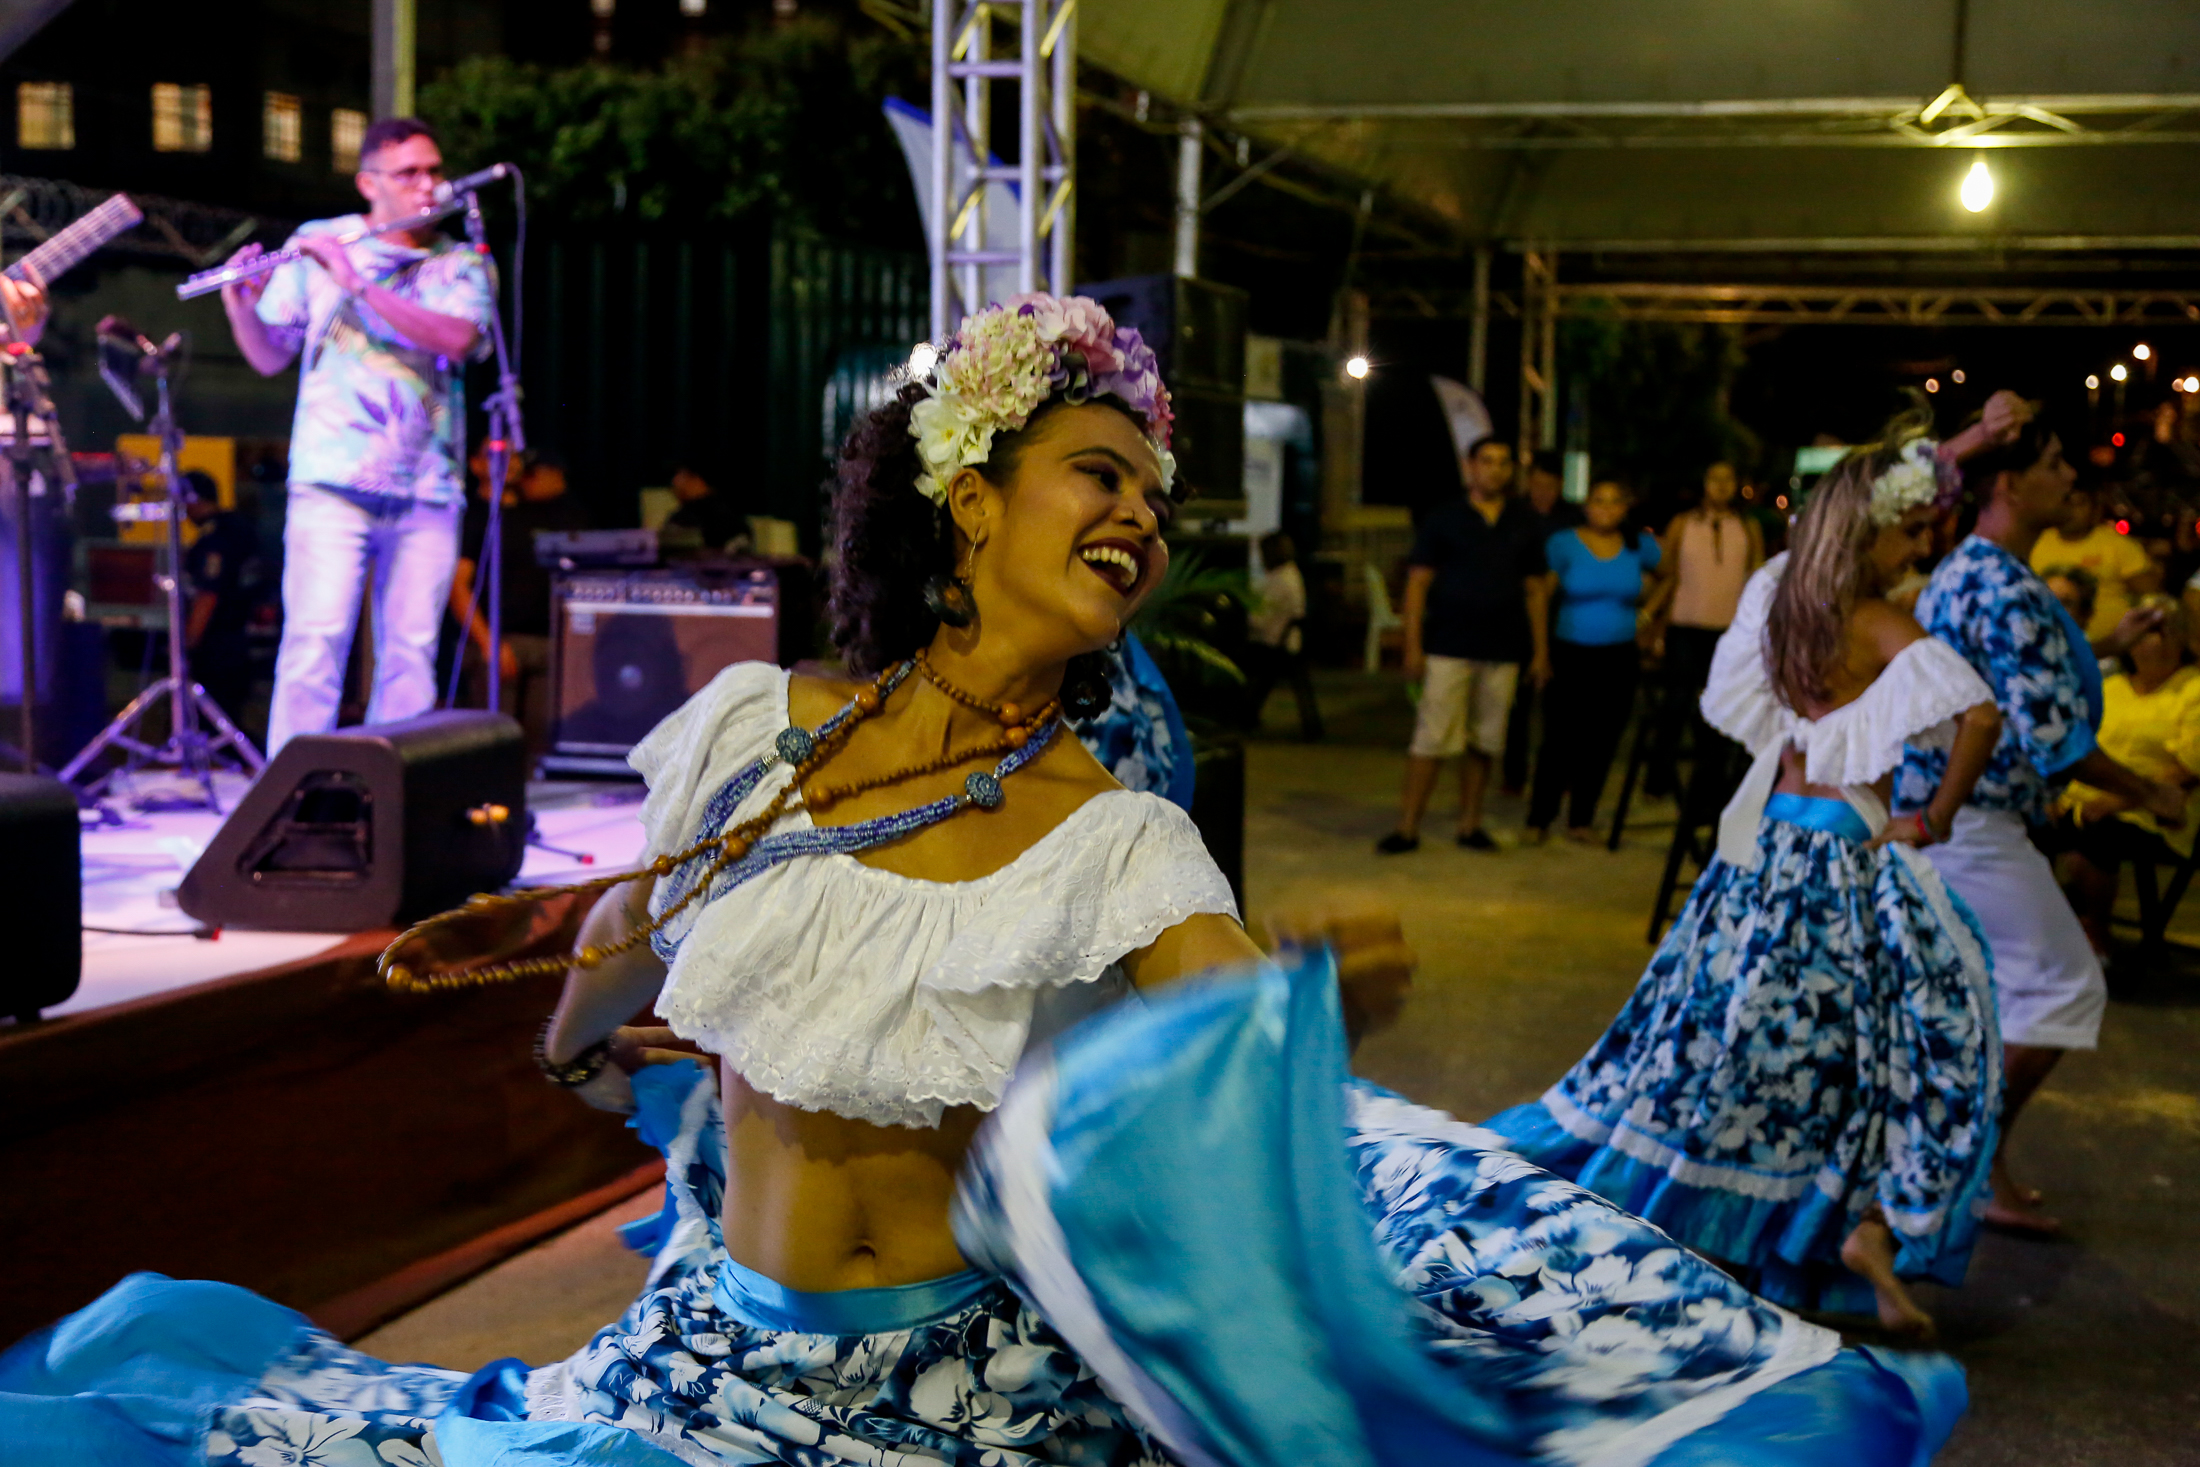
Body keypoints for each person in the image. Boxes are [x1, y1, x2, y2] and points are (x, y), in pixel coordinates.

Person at [2, 294, 1966, 1467]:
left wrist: (1295, 1007)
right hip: (706, 1369)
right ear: (966, 501)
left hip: (964, 1399)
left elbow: (1217, 1053)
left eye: (1151, 497)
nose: (1137, 513)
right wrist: (588, 967)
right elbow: (601, 1010)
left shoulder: (1115, 825)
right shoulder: (757, 729)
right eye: (1094, 471)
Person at [1486, 428, 2005, 1340]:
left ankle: (1749, 1230)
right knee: (1891, 1047)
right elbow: (1979, 711)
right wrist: (1940, 815)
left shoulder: (1782, 604)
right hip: (1846, 852)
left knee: (1726, 1035)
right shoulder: (1879, 619)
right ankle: (1849, 1232)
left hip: (1764, 844)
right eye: (1909, 531)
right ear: (1871, 534)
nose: (1918, 547)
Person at [1895, 407, 2187, 1238]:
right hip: (1974, 823)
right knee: (2065, 983)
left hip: (1956, 818)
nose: (2072, 478)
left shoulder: (1973, 569)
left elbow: (2023, 677)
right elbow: (2052, 738)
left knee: (2002, 996)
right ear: (2008, 483)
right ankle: (1966, 1163)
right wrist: (2150, 792)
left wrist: (2099, 646)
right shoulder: (2005, 581)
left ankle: (1965, 1163)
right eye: (2056, 463)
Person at [219, 116, 494, 753]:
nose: (430, 184)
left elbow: (456, 338)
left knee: (410, 655)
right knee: (314, 643)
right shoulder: (317, 241)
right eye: (409, 173)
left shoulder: (461, 260)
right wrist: (239, 302)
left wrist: (354, 280)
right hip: (332, 481)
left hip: (426, 485)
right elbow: (268, 356)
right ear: (369, 183)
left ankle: (393, 802)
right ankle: (288, 806)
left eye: (434, 169)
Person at [1378, 435, 1544, 853]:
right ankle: (1408, 827)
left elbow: (1536, 590)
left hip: (1503, 646)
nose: (1495, 470)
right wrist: (1412, 644)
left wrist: (1540, 652)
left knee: (1485, 742)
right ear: (1471, 467)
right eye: (1486, 461)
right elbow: (1417, 584)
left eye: (1503, 462)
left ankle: (1470, 824)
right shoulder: (1445, 518)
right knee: (1431, 739)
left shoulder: (1523, 521)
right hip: (1449, 644)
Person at [2050, 592, 2200, 957]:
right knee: (2035, 826)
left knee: (2097, 836)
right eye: (2148, 630)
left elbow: (2187, 771)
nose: (2158, 639)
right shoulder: (2109, 688)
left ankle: (2096, 935)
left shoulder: (2194, 689)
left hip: (2154, 809)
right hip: (2083, 799)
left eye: (2167, 630)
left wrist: (2120, 799)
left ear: (2184, 639)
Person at [1526, 478, 1665, 844]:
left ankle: (1581, 819)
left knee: (1602, 738)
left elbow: (1671, 576)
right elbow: (1541, 596)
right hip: (1570, 649)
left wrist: (1649, 618)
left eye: (1614, 501)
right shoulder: (1564, 543)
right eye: (1598, 501)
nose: (1606, 509)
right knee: (1560, 737)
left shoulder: (1639, 545)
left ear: (1625, 508)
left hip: (1619, 654)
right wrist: (1540, 653)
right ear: (1586, 505)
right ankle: (1539, 818)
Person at [451, 450, 591, 761]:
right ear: (475, 464)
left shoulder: (538, 513)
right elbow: (458, 586)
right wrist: (489, 643)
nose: (511, 462)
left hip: (546, 643)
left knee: (539, 744)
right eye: (498, 453)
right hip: (499, 644)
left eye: (515, 456)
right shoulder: (474, 516)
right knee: (493, 744)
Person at [1644, 459, 1764, 797]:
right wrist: (1655, 624)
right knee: (1676, 703)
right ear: (1703, 483)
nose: (1721, 485)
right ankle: (1658, 778)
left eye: (1728, 479)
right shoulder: (1683, 523)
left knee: (1719, 708)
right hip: (1685, 626)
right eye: (1714, 478)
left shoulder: (1747, 526)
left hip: (1728, 632)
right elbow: (1667, 574)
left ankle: (1709, 782)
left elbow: (1756, 578)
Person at [1501, 450, 1581, 793]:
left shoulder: (1573, 518)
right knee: (1516, 705)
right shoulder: (1513, 514)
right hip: (1518, 618)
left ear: (1559, 485)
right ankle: (1513, 775)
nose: (1541, 492)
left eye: (1548, 486)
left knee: (1560, 706)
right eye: (1536, 485)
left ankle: (1556, 773)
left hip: (1564, 616)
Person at [179, 471, 268, 729]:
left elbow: (209, 592)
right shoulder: (239, 527)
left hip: (218, 643)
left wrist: (190, 641)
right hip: (239, 638)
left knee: (215, 722)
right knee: (228, 719)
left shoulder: (216, 536)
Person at [2028, 481, 2158, 644]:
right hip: (2052, 644)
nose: (2072, 510)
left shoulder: (2117, 544)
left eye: (2080, 503)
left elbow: (2151, 594)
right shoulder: (2034, 544)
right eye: (2067, 502)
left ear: (2094, 508)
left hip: (2115, 650)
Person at [1243, 529, 1322, 740]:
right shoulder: (1291, 574)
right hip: (1285, 642)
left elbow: (1258, 620)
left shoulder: (1278, 581)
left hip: (1274, 644)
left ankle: (1241, 714)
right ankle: (1248, 713)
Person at [664, 460, 748, 551]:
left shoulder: (726, 515)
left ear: (697, 479)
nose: (674, 483)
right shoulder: (682, 515)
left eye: (681, 476)